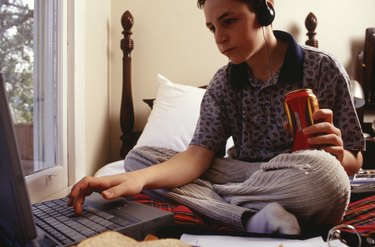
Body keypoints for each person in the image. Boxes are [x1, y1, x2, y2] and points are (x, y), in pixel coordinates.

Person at [68, 0, 365, 235]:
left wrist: (337, 155)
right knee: (138, 160)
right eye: (212, 28)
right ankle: (249, 217)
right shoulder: (222, 83)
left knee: (330, 177)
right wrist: (132, 179)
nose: (220, 38)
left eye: (229, 21)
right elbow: (197, 156)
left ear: (265, 9)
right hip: (240, 172)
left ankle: (220, 203)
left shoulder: (322, 68)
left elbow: (354, 159)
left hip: (299, 173)